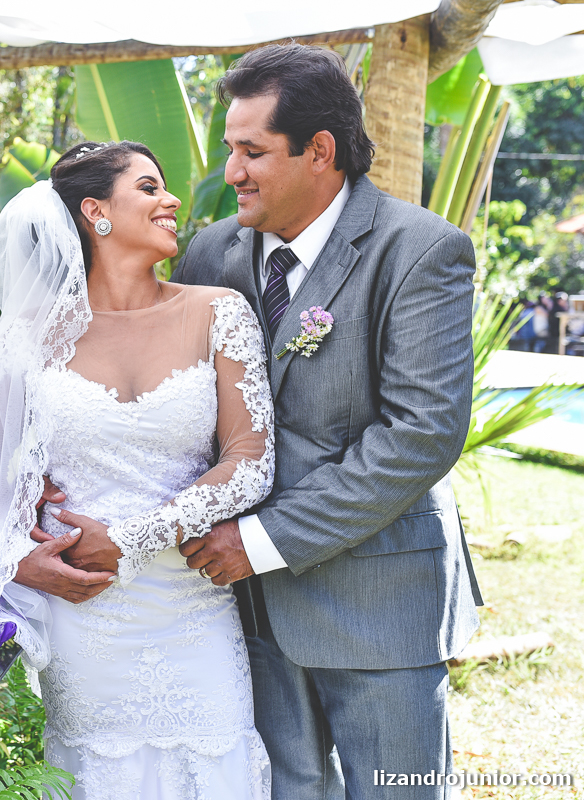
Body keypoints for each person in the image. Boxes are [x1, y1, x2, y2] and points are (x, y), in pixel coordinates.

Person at [171, 45, 481, 799]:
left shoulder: (421, 251)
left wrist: (259, 540)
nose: (232, 171)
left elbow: (421, 435)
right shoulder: (210, 253)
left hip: (378, 606)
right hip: (240, 616)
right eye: (230, 150)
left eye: (253, 152)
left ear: (319, 151)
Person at [0, 143, 274, 798]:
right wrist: (17, 560)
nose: (172, 201)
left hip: (192, 605)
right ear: (95, 211)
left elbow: (251, 462)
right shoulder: (29, 336)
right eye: (149, 187)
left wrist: (130, 540)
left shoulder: (219, 311)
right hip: (83, 616)